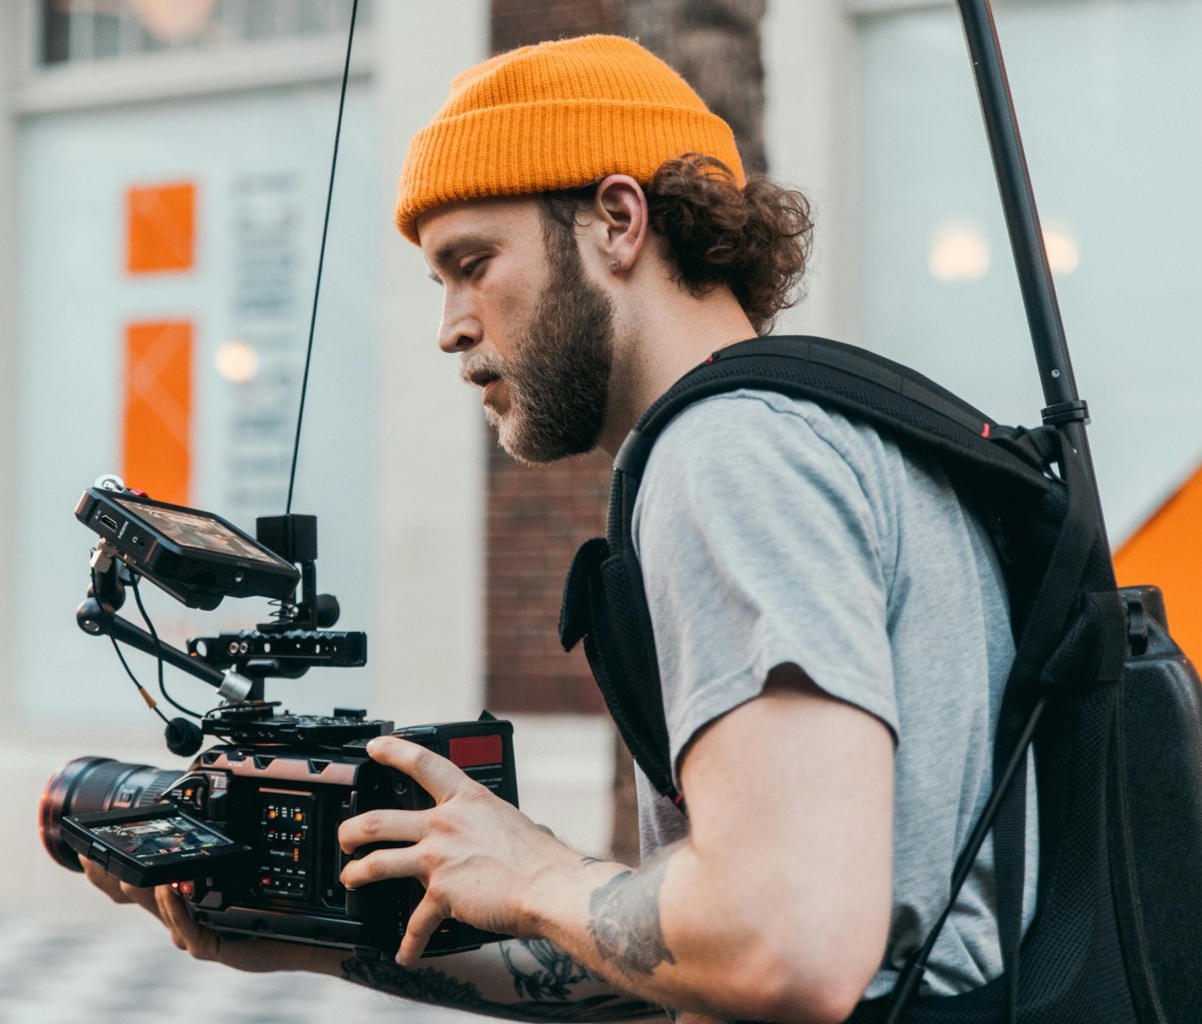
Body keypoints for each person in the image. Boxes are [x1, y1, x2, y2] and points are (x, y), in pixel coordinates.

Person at [82, 34, 1031, 1024]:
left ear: (618, 221)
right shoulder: (826, 426)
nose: (451, 326)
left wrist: (536, 871)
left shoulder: (728, 452)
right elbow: (685, 951)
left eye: (472, 264)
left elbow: (785, 944)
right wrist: (312, 939)